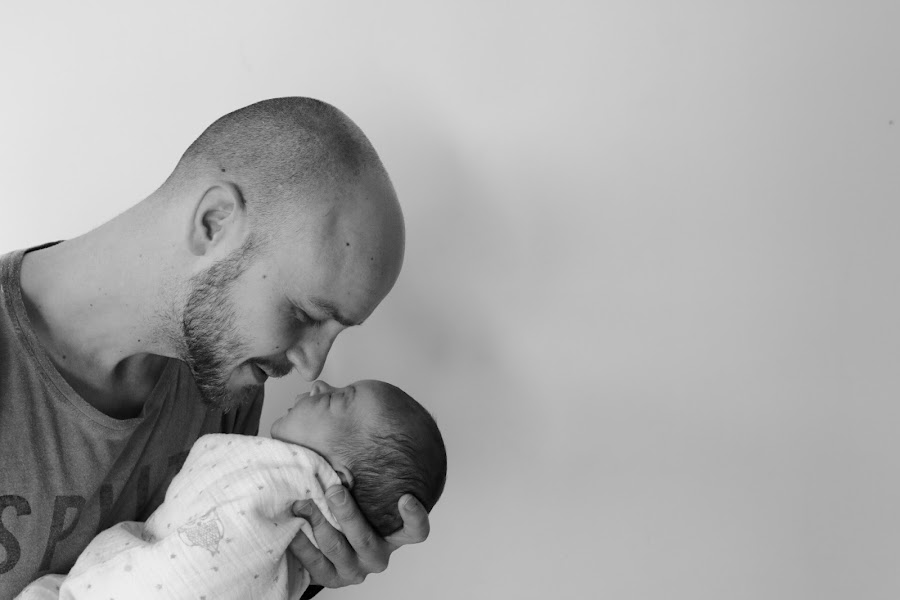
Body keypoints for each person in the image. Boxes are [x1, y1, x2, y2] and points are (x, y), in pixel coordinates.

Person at [0, 98, 429, 599]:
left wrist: (300, 571)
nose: (311, 367)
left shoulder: (225, 378)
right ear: (214, 221)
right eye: (305, 314)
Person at [15, 379, 447, 599]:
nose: (317, 380)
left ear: (337, 480)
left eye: (336, 399)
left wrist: (316, 582)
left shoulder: (285, 483)